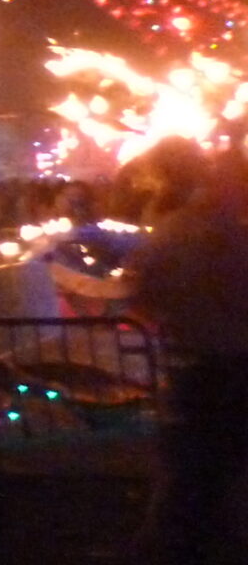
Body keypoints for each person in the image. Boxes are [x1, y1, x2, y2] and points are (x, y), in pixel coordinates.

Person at [129, 143, 248, 565]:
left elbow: (141, 296)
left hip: (192, 367)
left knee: (188, 473)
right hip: (233, 363)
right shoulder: (229, 231)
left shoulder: (167, 234)